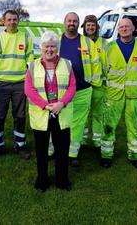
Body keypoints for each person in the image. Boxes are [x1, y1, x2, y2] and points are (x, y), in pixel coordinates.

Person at [25, 31, 76, 192]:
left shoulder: (67, 64)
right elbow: (29, 90)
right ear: (41, 48)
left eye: (53, 46)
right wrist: (45, 105)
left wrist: (61, 103)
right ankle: (42, 180)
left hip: (61, 113)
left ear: (57, 48)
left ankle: (62, 180)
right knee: (41, 151)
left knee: (62, 150)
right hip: (41, 114)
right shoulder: (32, 66)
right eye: (46, 46)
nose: (50, 50)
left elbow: (72, 87)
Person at [101, 18, 137, 170]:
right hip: (114, 94)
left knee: (134, 126)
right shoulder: (109, 47)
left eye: (127, 26)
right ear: (118, 29)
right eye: (121, 26)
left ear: (133, 28)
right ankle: (106, 156)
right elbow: (103, 69)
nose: (124, 29)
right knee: (108, 126)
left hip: (133, 95)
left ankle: (135, 156)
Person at [0, 10, 34, 159]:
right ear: (4, 21)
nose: (12, 22)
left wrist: (29, 78)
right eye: (9, 20)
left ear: (18, 21)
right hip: (2, 84)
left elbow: (30, 58)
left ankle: (20, 145)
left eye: (15, 19)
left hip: (20, 84)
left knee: (20, 116)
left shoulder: (25, 36)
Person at [59, 12, 101, 167]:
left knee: (78, 123)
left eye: (75, 21)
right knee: (59, 122)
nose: (72, 23)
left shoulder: (87, 42)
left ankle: (72, 154)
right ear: (64, 22)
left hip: (83, 89)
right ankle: (53, 150)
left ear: (78, 24)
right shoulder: (57, 40)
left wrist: (93, 83)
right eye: (69, 20)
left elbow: (95, 64)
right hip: (61, 90)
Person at [81, 15, 108, 156]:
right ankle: (82, 141)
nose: (90, 27)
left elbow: (108, 64)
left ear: (97, 27)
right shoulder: (80, 42)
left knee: (98, 115)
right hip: (84, 86)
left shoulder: (104, 43)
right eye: (88, 25)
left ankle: (97, 142)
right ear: (84, 27)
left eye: (93, 25)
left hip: (99, 86)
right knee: (83, 116)